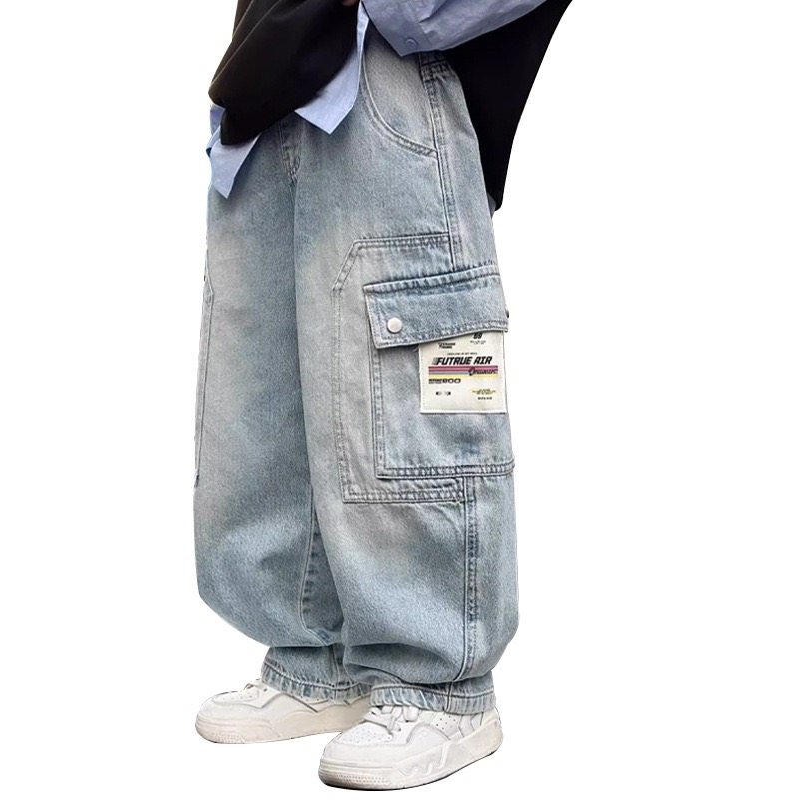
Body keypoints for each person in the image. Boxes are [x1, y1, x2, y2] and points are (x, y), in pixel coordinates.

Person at [193, 0, 571, 790]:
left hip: (392, 77)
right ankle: (315, 661)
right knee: (266, 392)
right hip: (270, 79)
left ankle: (442, 689)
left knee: (403, 386)